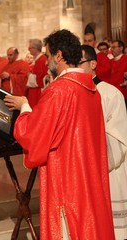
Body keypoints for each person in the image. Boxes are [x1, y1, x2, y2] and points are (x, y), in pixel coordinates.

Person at [4, 29, 115, 239]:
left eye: (47, 56)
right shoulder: (90, 88)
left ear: (59, 55)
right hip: (87, 176)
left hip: (67, 179)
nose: (45, 62)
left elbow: (35, 135)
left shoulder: (60, 90)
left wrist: (25, 106)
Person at [79, 45, 127, 240]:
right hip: (83, 173)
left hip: (109, 171)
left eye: (79, 63)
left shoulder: (110, 93)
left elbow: (117, 137)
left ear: (93, 64)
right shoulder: (74, 93)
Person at [26, 38, 48, 108]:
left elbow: (41, 79)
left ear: (35, 48)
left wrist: (29, 75)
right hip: (35, 91)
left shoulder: (42, 60)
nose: (28, 49)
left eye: (30, 48)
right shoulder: (38, 59)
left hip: (38, 92)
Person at [110, 40, 127, 104]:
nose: (112, 49)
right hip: (112, 94)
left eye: (114, 47)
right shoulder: (110, 61)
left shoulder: (126, 59)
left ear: (121, 48)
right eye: (111, 47)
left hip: (123, 93)